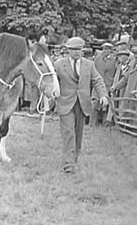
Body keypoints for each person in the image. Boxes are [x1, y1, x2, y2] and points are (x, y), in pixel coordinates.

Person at [54, 37, 108, 174]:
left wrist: (103, 95)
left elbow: (97, 80)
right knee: (68, 132)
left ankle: (74, 157)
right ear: (68, 50)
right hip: (65, 103)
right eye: (73, 50)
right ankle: (68, 164)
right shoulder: (59, 64)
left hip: (82, 103)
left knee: (78, 133)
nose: (77, 52)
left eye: (79, 49)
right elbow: (52, 81)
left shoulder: (89, 65)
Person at [111, 46, 137, 113]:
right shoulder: (132, 66)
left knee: (136, 118)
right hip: (128, 96)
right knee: (125, 115)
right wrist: (116, 87)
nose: (136, 56)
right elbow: (125, 79)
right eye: (135, 54)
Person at [92, 42, 116, 126]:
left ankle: (105, 124)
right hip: (97, 84)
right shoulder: (97, 58)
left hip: (108, 85)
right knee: (95, 104)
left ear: (111, 50)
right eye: (103, 49)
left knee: (106, 105)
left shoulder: (114, 60)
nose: (104, 51)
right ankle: (92, 124)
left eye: (107, 49)